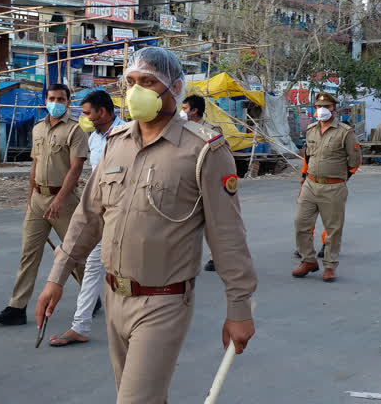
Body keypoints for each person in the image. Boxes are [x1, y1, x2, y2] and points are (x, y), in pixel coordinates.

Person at [35, 47, 257, 403]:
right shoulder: (116, 144)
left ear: (175, 88)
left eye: (149, 82)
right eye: (132, 82)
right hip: (113, 297)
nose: (137, 90)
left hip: (163, 302)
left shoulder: (204, 151)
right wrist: (56, 278)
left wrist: (239, 308)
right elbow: (88, 218)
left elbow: (227, 236)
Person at [0, 83, 88, 326]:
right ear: (45, 100)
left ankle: (90, 296)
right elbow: (34, 166)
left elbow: (76, 168)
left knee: (74, 255)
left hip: (64, 201)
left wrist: (60, 199)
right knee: (29, 253)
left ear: (67, 102)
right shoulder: (37, 129)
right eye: (52, 98)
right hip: (38, 200)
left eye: (61, 98)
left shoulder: (75, 131)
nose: (56, 102)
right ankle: (17, 307)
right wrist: (30, 198)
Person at [49, 90, 124, 347]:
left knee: (124, 270)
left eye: (88, 113)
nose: (85, 118)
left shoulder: (128, 135)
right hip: (101, 214)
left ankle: (138, 324)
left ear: (102, 112)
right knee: (94, 265)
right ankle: (80, 326)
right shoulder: (93, 139)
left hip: (126, 216)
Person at [292, 92, 361, 283]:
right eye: (318, 107)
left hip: (334, 186)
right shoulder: (311, 130)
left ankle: (330, 266)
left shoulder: (345, 133)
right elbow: (308, 156)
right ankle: (308, 260)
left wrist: (341, 178)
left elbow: (355, 160)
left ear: (334, 109)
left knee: (333, 229)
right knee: (300, 223)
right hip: (310, 184)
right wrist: (304, 177)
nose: (322, 110)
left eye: (326, 107)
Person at [181, 95, 223, 272]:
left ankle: (216, 257)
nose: (182, 112)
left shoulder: (211, 130)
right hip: (186, 180)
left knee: (211, 224)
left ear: (194, 110)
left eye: (184, 108)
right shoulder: (180, 129)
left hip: (207, 180)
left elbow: (219, 157)